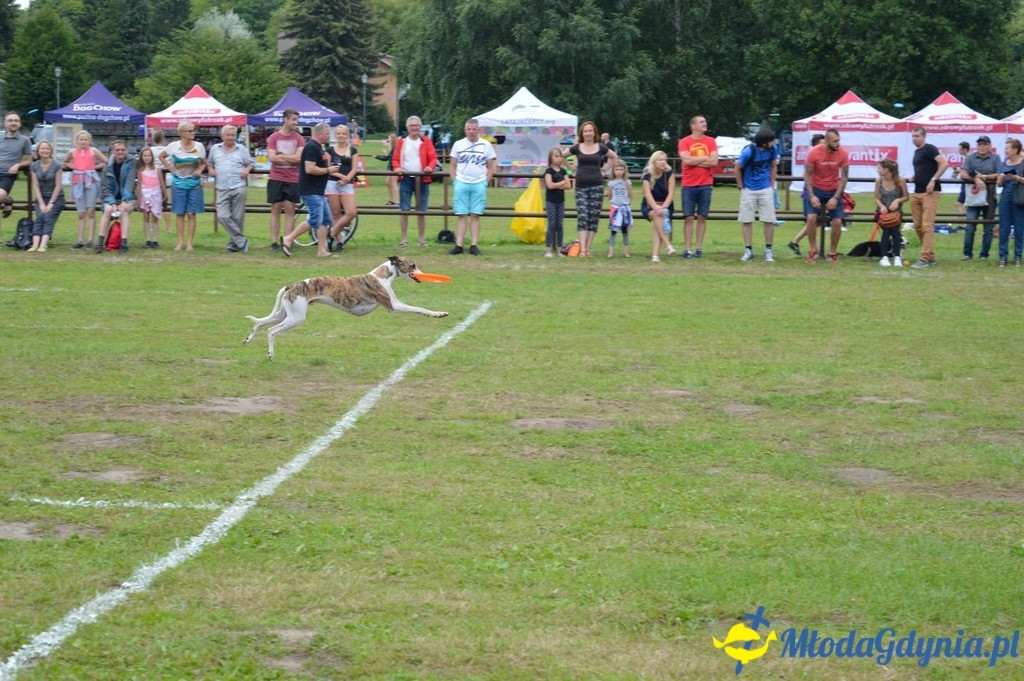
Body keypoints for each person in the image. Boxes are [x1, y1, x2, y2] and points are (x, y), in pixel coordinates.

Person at [281, 122, 338, 258]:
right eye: (327, 133)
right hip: (310, 190)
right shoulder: (311, 147)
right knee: (314, 220)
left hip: (318, 191)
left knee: (325, 220)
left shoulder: (318, 147)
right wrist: (328, 170)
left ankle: (321, 250)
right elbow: (309, 169)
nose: (328, 136)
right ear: (319, 134)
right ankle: (288, 238)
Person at [448, 118, 497, 256]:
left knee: (475, 215)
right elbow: (452, 165)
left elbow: (491, 166)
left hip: (479, 183)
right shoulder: (458, 144)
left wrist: (485, 182)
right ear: (465, 130)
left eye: (474, 129)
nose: (471, 131)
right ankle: (459, 245)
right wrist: (455, 181)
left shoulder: (486, 145)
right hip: (461, 182)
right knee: (461, 214)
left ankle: (474, 245)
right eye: (469, 129)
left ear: (478, 130)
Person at [567, 121, 616, 257]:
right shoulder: (577, 147)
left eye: (590, 131)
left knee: (593, 217)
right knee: (583, 216)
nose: (588, 133)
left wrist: (605, 169)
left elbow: (613, 157)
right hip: (581, 186)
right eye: (585, 131)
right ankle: (582, 249)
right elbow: (562, 156)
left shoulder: (600, 147)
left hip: (597, 185)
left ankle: (588, 248)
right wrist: (572, 169)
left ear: (594, 133)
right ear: (582, 133)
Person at [801, 128, 849, 263]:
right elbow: (807, 175)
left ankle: (832, 252)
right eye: (835, 141)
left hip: (833, 189)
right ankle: (813, 250)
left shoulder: (843, 153)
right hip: (816, 188)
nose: (838, 144)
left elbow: (844, 178)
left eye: (839, 140)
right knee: (811, 218)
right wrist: (811, 196)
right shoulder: (814, 152)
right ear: (827, 141)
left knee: (837, 221)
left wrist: (836, 197)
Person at [392, 115, 438, 248]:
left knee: (421, 211)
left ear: (420, 127)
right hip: (406, 179)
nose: (414, 128)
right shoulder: (401, 142)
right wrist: (397, 168)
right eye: (411, 125)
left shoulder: (426, 141)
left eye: (416, 125)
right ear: (407, 127)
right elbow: (395, 159)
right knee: (404, 210)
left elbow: (433, 157)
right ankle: (404, 239)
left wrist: (430, 167)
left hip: (423, 179)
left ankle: (421, 240)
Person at [207, 124, 254, 253]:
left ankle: (234, 245)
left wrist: (246, 170)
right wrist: (210, 169)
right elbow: (209, 163)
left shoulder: (241, 149)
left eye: (233, 135)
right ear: (222, 136)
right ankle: (241, 241)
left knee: (237, 217)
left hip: (238, 185)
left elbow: (251, 163)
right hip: (221, 187)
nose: (231, 137)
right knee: (222, 215)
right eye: (228, 135)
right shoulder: (215, 149)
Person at [735, 128, 780, 262]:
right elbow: (737, 167)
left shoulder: (773, 149)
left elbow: (773, 165)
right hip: (749, 189)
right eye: (771, 141)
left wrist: (771, 185)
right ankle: (748, 249)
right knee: (747, 220)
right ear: (765, 143)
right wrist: (740, 186)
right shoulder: (749, 151)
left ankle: (768, 249)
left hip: (765, 188)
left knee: (769, 220)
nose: (773, 143)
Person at [160, 121, 206, 251]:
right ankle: (180, 242)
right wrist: (170, 168)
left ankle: (190, 243)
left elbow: (204, 162)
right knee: (179, 213)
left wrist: (200, 170)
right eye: (190, 131)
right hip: (178, 184)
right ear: (182, 133)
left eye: (193, 130)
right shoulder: (173, 146)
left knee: (191, 214)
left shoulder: (199, 146)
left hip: (194, 185)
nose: (193, 133)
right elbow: (162, 156)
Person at [677, 114, 718, 258]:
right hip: (688, 184)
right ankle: (687, 249)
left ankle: (698, 248)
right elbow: (686, 161)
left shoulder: (711, 141)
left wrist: (695, 160)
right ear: (693, 126)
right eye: (701, 122)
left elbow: (714, 162)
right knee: (688, 217)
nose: (704, 124)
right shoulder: (684, 142)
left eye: (705, 121)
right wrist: (705, 158)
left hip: (705, 184)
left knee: (702, 216)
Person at [909, 126, 949, 268]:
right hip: (917, 191)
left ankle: (924, 258)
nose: (914, 139)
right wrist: (915, 176)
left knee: (927, 225)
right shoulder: (917, 152)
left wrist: (933, 180)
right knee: (917, 225)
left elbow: (944, 164)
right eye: (913, 136)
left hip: (930, 193)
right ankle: (930, 256)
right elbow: (923, 168)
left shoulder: (930, 148)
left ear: (924, 137)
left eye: (917, 136)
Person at [266, 109, 304, 251]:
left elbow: (299, 158)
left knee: (290, 210)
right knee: (275, 209)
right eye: (293, 119)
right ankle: (274, 242)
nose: (296, 122)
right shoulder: (274, 137)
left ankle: (288, 241)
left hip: (292, 179)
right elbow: (272, 157)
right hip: (276, 178)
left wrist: (281, 156)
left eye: (297, 120)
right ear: (285, 119)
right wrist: (289, 158)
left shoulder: (299, 139)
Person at [63, 129, 106, 249]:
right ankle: (80, 240)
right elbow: (65, 162)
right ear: (77, 141)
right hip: (78, 181)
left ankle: (90, 240)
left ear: (89, 141)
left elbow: (104, 161)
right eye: (81, 139)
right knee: (81, 213)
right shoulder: (72, 151)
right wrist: (74, 167)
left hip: (90, 181)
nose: (83, 142)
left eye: (86, 139)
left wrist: (94, 167)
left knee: (91, 211)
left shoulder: (93, 150)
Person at [959, 135, 1000, 260]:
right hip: (973, 197)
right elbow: (962, 174)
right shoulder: (970, 158)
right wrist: (975, 179)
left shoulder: (996, 158)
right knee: (970, 227)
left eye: (985, 144)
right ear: (976, 146)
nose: (982, 146)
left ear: (990, 146)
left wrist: (984, 177)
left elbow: (1000, 173)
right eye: (979, 144)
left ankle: (984, 254)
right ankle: (967, 253)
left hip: (990, 197)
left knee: (988, 228)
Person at [95, 139, 137, 253]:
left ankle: (124, 244)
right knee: (108, 210)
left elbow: (130, 183)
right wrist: (112, 202)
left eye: (122, 150)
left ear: (126, 150)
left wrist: (124, 200)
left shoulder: (132, 162)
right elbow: (105, 187)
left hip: (128, 197)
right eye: (117, 150)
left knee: (123, 210)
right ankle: (99, 244)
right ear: (113, 151)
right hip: (111, 198)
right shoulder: (108, 165)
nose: (120, 152)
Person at [786, 133, 825, 255]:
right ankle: (813, 248)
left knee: (818, 221)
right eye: (822, 144)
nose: (824, 146)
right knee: (813, 220)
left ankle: (795, 241)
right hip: (811, 193)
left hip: (820, 192)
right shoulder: (811, 157)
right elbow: (806, 174)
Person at [326, 124, 362, 251]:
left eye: (343, 133)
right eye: (339, 133)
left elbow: (354, 167)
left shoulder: (352, 150)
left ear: (347, 135)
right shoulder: (330, 150)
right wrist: (340, 176)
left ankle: (332, 232)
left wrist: (347, 178)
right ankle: (339, 242)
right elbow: (328, 168)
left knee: (351, 213)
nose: (341, 136)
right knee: (336, 213)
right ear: (335, 135)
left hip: (347, 184)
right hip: (332, 183)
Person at [27, 140, 64, 252]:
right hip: (41, 198)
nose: (45, 151)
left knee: (48, 218)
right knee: (39, 217)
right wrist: (41, 203)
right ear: (38, 151)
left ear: (51, 151)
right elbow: (35, 186)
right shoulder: (34, 166)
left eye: (47, 148)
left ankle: (43, 244)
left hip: (56, 198)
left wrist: (51, 203)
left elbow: (58, 185)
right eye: (42, 148)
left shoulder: (57, 165)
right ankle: (35, 244)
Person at [641, 150, 677, 262]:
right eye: (660, 160)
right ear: (654, 162)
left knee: (659, 218)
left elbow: (671, 193)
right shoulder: (647, 175)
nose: (663, 162)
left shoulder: (669, 174)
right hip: (649, 205)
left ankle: (655, 256)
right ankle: (668, 245)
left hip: (666, 205)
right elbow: (647, 193)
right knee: (657, 215)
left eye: (665, 160)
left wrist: (663, 207)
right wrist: (656, 208)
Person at [873, 158, 909, 267]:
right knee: (889, 228)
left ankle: (894, 256)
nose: (878, 170)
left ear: (886, 169)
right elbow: (876, 198)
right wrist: (881, 206)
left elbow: (906, 197)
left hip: (896, 212)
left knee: (893, 228)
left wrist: (897, 201)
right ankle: (888, 256)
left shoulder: (900, 180)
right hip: (882, 212)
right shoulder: (879, 181)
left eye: (879, 168)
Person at [996, 138, 1024, 268]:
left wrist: (1017, 178)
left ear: (1015, 150)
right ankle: (1003, 257)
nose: (1005, 150)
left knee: (1019, 230)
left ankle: (1018, 257)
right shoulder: (1004, 163)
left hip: (1019, 200)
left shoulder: (1022, 163)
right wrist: (1001, 178)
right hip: (1005, 199)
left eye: (1008, 148)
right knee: (1004, 229)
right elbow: (998, 183)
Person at [0, 111, 32, 223]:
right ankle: (8, 200)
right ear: (5, 123)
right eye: (10, 120)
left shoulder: (25, 140)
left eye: (16, 121)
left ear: (20, 123)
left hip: (7, 174)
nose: (13, 123)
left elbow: (29, 160)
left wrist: (18, 165)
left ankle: (6, 199)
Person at [543, 147, 571, 258]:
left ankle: (559, 250)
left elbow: (569, 185)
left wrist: (557, 185)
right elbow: (549, 185)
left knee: (559, 225)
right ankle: (548, 250)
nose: (559, 159)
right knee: (551, 225)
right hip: (551, 201)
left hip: (561, 201)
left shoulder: (563, 171)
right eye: (556, 156)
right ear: (551, 158)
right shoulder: (548, 171)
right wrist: (562, 183)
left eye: (560, 156)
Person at [136, 147, 163, 248]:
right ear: (141, 157)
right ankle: (147, 239)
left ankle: (155, 239)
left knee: (155, 217)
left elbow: (161, 182)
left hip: (156, 194)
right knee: (146, 216)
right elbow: (139, 184)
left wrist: (165, 194)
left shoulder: (156, 168)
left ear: (152, 157)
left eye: (149, 155)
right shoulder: (140, 170)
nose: (147, 158)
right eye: (145, 156)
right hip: (145, 194)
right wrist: (139, 198)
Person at [605, 159, 632, 258]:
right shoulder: (611, 183)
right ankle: (611, 251)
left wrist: (628, 204)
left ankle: (626, 251)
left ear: (624, 170)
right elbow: (609, 196)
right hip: (615, 208)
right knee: (613, 231)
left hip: (624, 208)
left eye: (621, 169)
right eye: (616, 169)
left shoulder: (627, 182)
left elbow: (630, 195)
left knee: (625, 231)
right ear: (613, 171)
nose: (619, 172)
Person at [149, 129, 172, 234]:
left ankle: (153, 225)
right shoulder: (168, 150)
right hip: (167, 178)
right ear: (163, 139)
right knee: (165, 203)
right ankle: (168, 226)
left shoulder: (150, 150)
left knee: (154, 203)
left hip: (154, 179)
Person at [953, 141, 970, 220]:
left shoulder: (969, 158)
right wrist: (959, 170)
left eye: (960, 149)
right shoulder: (967, 158)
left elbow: (969, 171)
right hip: (966, 184)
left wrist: (959, 171)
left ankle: (962, 224)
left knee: (958, 204)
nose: (958, 151)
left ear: (965, 149)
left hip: (967, 185)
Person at [382, 133, 399, 205]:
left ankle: (397, 201)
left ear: (393, 139)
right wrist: (386, 154)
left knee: (394, 184)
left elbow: (391, 157)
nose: (388, 140)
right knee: (388, 183)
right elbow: (389, 157)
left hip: (394, 167)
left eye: (389, 138)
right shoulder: (392, 147)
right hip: (390, 167)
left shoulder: (395, 147)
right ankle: (391, 200)